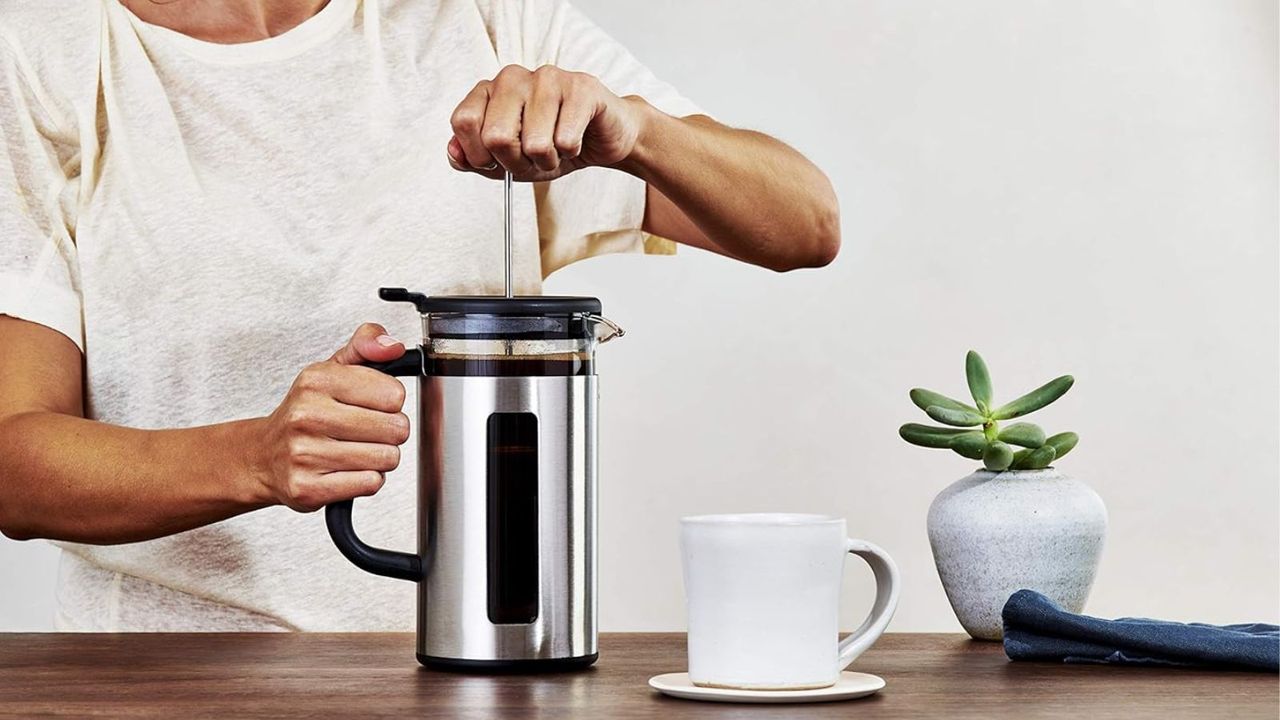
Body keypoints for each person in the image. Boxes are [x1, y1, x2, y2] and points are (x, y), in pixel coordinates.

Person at [0, 0, 839, 631]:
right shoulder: (49, 60)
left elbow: (805, 224)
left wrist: (640, 130)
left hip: (488, 667)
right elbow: (13, 459)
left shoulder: (482, 22)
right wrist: (254, 457)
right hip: (171, 683)